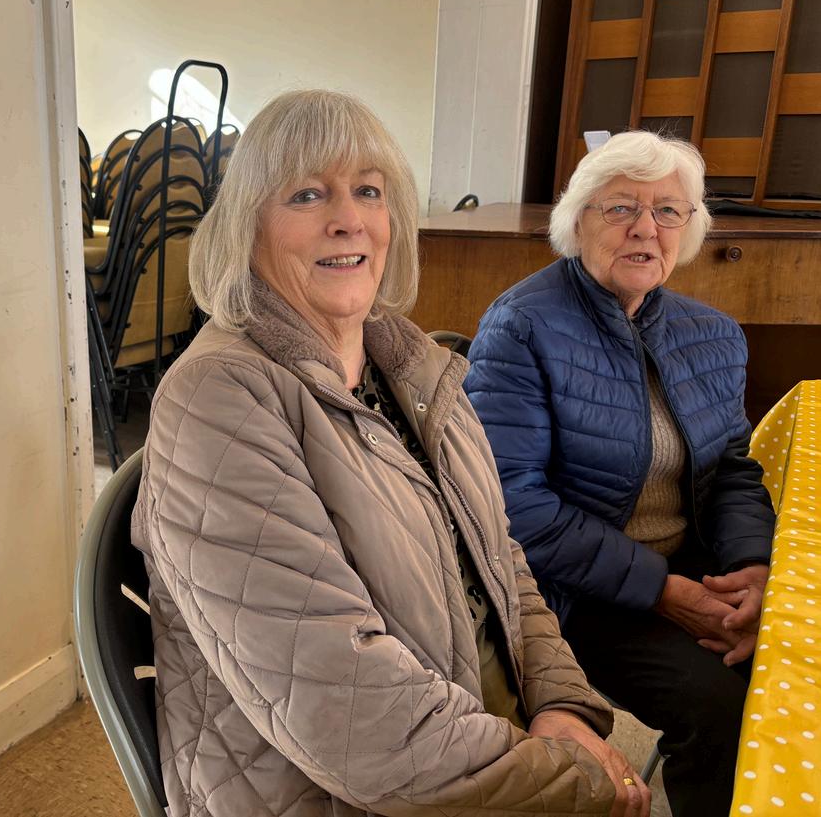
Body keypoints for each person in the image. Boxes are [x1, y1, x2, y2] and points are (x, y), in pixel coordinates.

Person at [131, 90, 650, 817]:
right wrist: (573, 781)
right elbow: (350, 720)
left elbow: (500, 559)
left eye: (368, 191)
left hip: (469, 736)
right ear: (246, 226)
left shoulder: (408, 363)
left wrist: (561, 704)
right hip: (336, 790)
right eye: (307, 194)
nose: (348, 219)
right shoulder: (218, 399)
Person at [464, 130, 776, 817]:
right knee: (720, 708)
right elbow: (512, 505)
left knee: (805, 669)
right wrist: (663, 591)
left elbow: (732, 469)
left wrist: (751, 570)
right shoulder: (520, 326)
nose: (645, 227)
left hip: (691, 566)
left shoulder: (713, 333)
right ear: (577, 221)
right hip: (572, 592)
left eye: (667, 210)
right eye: (620, 208)